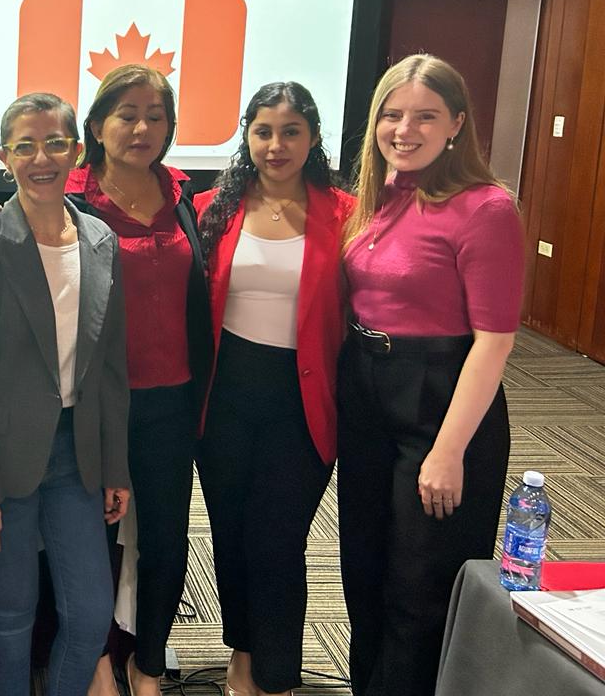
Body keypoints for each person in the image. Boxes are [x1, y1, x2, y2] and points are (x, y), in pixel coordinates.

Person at [0, 92, 131, 696]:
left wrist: (115, 467)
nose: (40, 158)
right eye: (25, 146)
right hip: (1, 456)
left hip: (77, 453)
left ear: (77, 151)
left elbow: (110, 368)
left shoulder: (100, 240)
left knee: (91, 613)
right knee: (12, 611)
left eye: (54, 143)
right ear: (4, 157)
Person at [339, 54, 522, 696]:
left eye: (425, 116)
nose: (404, 129)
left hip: (440, 399)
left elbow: (494, 343)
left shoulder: (486, 208)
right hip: (366, 392)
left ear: (457, 124)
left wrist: (448, 452)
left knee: (420, 589)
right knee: (363, 570)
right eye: (392, 115)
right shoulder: (379, 198)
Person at [194, 82, 353, 696]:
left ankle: (278, 674)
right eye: (263, 131)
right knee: (231, 532)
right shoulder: (213, 208)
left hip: (302, 400)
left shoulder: (346, 212)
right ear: (247, 136)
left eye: (290, 131)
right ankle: (242, 651)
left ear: (312, 138)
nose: (276, 145)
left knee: (278, 539)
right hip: (225, 398)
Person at [63, 65, 214, 696]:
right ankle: (96, 658)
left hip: (172, 400)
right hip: (97, 404)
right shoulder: (68, 197)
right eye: (126, 115)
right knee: (90, 541)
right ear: (97, 125)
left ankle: (147, 662)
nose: (141, 128)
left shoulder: (181, 194)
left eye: (156, 116)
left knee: (166, 542)